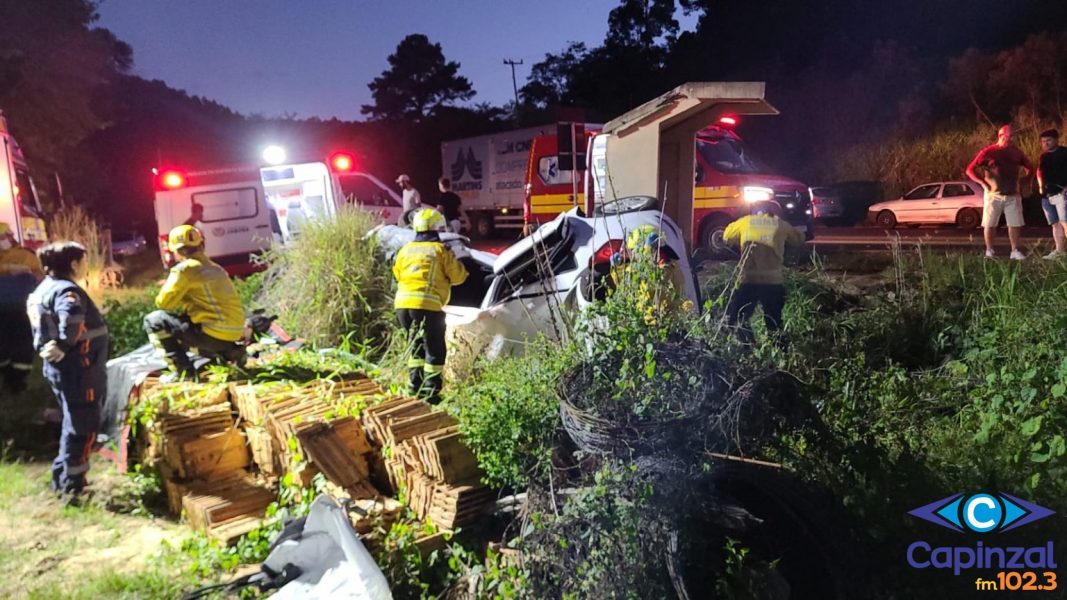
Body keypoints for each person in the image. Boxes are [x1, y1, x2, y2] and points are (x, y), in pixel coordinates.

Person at [26, 241, 109, 497]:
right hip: (79, 368)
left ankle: (61, 477)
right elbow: (71, 317)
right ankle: (73, 487)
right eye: (83, 261)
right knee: (83, 424)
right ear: (73, 264)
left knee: (72, 421)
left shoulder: (44, 288)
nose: (86, 266)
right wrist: (64, 342)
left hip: (61, 369)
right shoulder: (67, 290)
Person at [143, 225, 246, 379]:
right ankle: (230, 353)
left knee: (154, 320)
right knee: (186, 322)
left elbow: (163, 303)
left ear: (176, 251)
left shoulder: (184, 269)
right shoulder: (215, 268)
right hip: (234, 332)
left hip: (211, 334)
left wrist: (176, 287)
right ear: (201, 245)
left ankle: (184, 373)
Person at [393, 208, 468, 402]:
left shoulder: (405, 249)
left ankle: (414, 389)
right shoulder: (440, 250)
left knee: (415, 348)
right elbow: (458, 278)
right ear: (437, 228)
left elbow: (398, 274)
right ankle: (431, 394)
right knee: (434, 350)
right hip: (427, 305)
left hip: (402, 306)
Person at [722, 208, 805, 343]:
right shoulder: (779, 223)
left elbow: (726, 236)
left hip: (749, 281)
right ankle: (781, 353)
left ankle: (747, 348)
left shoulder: (745, 221)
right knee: (774, 321)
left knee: (738, 318)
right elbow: (798, 239)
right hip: (773, 282)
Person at [965, 124, 1034, 260]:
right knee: (989, 224)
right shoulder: (988, 151)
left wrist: (1025, 180)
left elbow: (1030, 168)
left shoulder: (1016, 152)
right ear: (1001, 136)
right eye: (1009, 136)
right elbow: (970, 170)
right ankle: (989, 250)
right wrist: (983, 183)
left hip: (1012, 194)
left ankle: (1014, 250)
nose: (1012, 139)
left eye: (1013, 136)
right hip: (993, 195)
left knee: (1014, 224)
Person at [610, 224, 693, 324]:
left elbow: (652, 287)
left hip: (666, 325)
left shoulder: (668, 266)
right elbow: (624, 286)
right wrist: (618, 267)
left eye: (633, 251)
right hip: (644, 323)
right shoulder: (640, 267)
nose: (631, 255)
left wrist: (646, 252)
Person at [0, 222, 44, 390]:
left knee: (19, 341)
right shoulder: (25, 256)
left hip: (19, 306)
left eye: (4, 236)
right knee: (12, 341)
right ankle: (13, 376)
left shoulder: (25, 256)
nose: (4, 240)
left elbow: (39, 277)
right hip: (12, 307)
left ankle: (15, 378)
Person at [1037, 129, 1067, 259]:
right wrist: (1040, 187)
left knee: (1065, 222)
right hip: (1047, 195)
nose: (1046, 143)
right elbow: (1040, 172)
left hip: (1062, 193)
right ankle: (1060, 251)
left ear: (1056, 139)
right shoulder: (1043, 156)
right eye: (1043, 141)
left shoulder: (1064, 153)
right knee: (1055, 223)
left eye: (1048, 140)